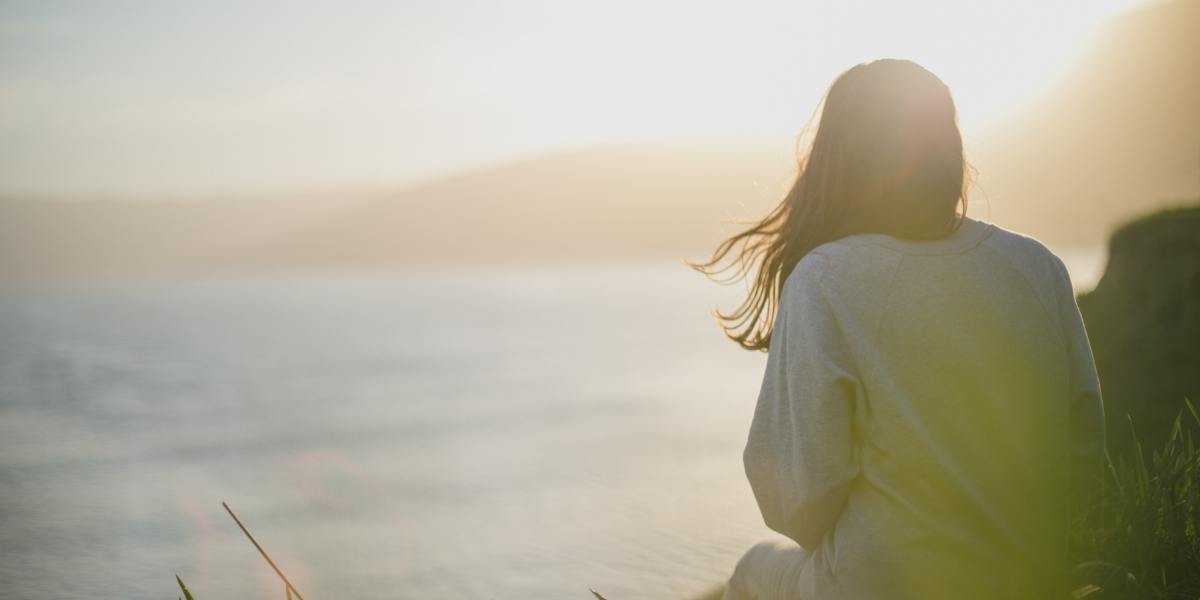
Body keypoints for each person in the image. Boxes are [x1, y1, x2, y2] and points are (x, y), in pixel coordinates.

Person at [688, 59, 1111, 599]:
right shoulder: (1037, 265)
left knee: (751, 572)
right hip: (1028, 577)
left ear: (838, 160)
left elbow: (797, 504)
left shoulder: (824, 278)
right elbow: (1084, 453)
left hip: (882, 584)